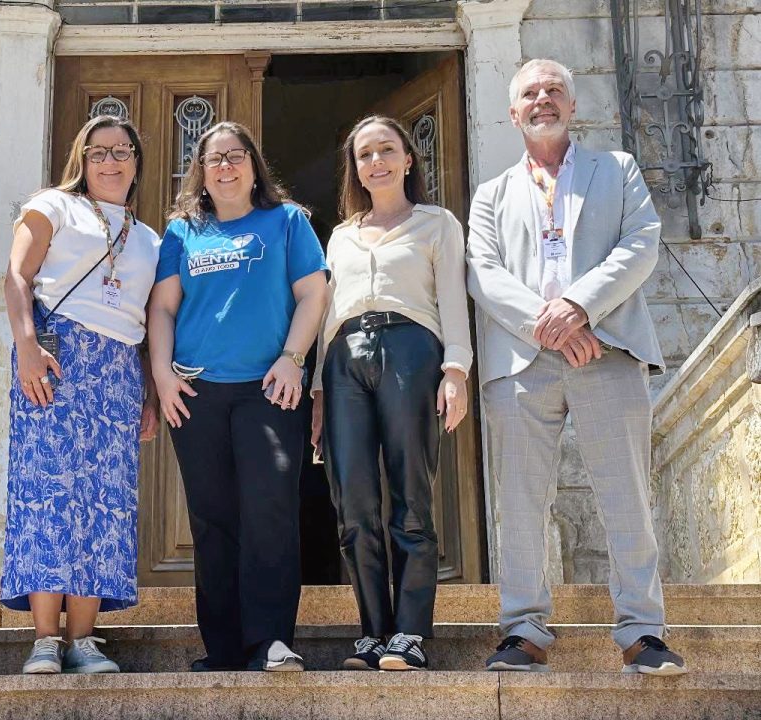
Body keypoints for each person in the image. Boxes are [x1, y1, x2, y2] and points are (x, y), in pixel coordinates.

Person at [467, 58, 687, 676]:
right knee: (520, 501)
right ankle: (523, 629)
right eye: (531, 93)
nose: (543, 100)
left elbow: (641, 242)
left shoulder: (617, 171)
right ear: (512, 114)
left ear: (572, 105)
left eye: (554, 90)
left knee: (627, 496)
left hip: (607, 349)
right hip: (521, 360)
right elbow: (483, 272)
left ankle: (643, 632)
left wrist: (579, 309)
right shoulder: (491, 194)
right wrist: (550, 322)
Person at [149, 121, 329, 672]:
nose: (224, 167)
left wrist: (292, 359)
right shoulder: (183, 232)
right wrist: (161, 376)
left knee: (269, 512)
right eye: (213, 160)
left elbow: (313, 296)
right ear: (200, 174)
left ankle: (271, 640)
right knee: (212, 518)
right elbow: (162, 308)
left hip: (269, 390)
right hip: (196, 392)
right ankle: (222, 647)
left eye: (235, 157)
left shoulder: (287, 222)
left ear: (254, 167)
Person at [0, 115, 161, 675]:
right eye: (98, 153)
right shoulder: (52, 206)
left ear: (137, 162)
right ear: (81, 161)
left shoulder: (149, 239)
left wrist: (148, 392)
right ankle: (46, 639)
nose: (110, 162)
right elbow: (16, 278)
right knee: (48, 490)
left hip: (118, 369)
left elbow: (146, 320)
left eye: (122, 152)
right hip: (55, 356)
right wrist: (25, 347)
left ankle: (85, 639)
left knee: (103, 500)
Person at [310, 115, 471, 671]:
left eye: (386, 151)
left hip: (411, 350)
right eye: (364, 154)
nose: (375, 162)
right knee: (353, 501)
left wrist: (457, 371)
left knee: (410, 495)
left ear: (407, 159)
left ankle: (410, 632)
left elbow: (453, 299)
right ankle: (373, 632)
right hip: (343, 361)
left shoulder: (437, 224)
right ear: (354, 168)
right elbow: (326, 314)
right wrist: (317, 391)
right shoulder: (340, 235)